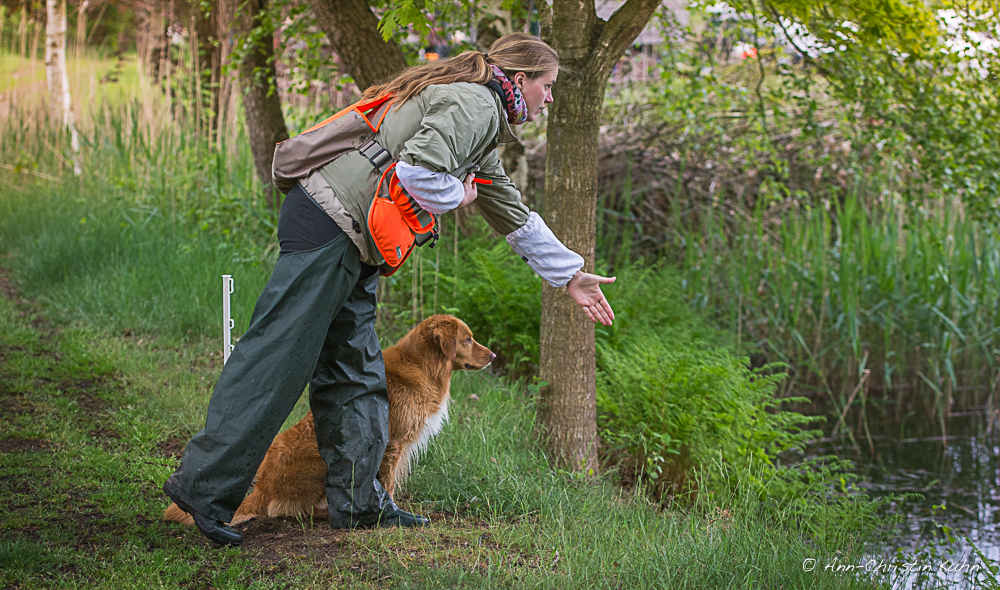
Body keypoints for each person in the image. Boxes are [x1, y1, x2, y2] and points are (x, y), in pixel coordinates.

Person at [162, 32, 616, 547]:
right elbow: (418, 172)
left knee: (355, 371)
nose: (550, 98)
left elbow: (506, 203)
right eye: (548, 85)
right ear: (519, 78)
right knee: (275, 357)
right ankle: (201, 492)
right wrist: (458, 196)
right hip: (329, 223)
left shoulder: (482, 115)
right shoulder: (474, 104)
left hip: (354, 239)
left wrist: (569, 274)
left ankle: (358, 503)